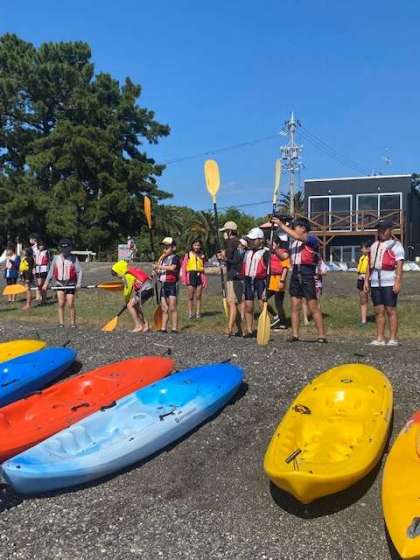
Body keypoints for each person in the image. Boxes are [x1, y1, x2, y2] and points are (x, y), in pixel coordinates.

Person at [272, 216, 327, 343]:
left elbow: (297, 236)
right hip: (296, 272)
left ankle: (322, 335)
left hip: (307, 273)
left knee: (312, 305)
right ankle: (295, 334)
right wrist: (275, 249)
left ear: (303, 228)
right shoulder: (294, 243)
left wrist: (280, 224)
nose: (293, 229)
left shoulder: (312, 239)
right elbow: (284, 256)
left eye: (295, 227)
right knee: (295, 305)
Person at [364, 220, 404, 346]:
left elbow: (399, 265)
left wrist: (397, 281)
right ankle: (380, 338)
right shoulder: (374, 245)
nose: (381, 231)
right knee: (378, 310)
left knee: (390, 309)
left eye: (384, 229)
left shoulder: (396, 246)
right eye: (379, 229)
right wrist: (366, 281)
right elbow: (369, 265)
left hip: (389, 280)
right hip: (375, 281)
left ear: (390, 230)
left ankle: (393, 338)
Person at [43, 239, 82, 328]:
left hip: (70, 284)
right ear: (60, 248)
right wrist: (46, 283)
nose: (65, 250)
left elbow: (79, 271)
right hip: (59, 284)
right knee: (61, 303)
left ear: (70, 248)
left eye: (67, 248)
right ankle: (61, 323)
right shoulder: (56, 258)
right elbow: (51, 272)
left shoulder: (74, 258)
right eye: (63, 248)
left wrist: (78, 283)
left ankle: (73, 323)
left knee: (70, 303)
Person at [217, 221, 245, 337]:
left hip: (234, 275)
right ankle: (240, 329)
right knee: (234, 303)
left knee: (231, 302)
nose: (224, 234)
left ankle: (229, 328)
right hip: (236, 275)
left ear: (229, 231)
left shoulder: (231, 242)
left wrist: (224, 258)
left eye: (225, 231)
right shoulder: (238, 242)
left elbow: (234, 260)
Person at [242, 227, 270, 338]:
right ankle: (249, 330)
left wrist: (267, 287)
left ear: (261, 240)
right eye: (250, 239)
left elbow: (270, 271)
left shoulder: (266, 253)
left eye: (253, 239)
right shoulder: (247, 251)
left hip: (261, 281)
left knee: (262, 305)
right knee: (248, 307)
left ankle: (263, 328)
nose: (251, 241)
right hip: (248, 280)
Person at [111, 260, 153, 332]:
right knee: (136, 306)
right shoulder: (130, 272)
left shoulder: (127, 275)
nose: (117, 276)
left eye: (116, 274)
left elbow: (128, 290)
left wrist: (126, 301)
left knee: (130, 305)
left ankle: (138, 326)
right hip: (149, 289)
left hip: (145, 289)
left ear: (120, 271)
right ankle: (146, 325)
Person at [154, 237, 180, 333]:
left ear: (173, 248)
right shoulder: (162, 259)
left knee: (172, 307)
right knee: (164, 308)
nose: (164, 249)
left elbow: (172, 268)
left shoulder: (175, 257)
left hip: (172, 284)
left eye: (167, 247)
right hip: (163, 285)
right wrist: (156, 270)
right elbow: (159, 271)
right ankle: (163, 328)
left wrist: (159, 266)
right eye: (164, 247)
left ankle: (174, 328)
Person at [267, 236, 290, 330]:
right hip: (271, 280)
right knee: (263, 298)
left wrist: (282, 281)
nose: (271, 246)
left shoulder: (283, 253)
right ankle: (275, 316)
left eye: (273, 244)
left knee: (278, 303)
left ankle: (283, 323)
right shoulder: (270, 253)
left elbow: (285, 268)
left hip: (279, 280)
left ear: (278, 244)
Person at [181, 239, 207, 320]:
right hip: (190, 275)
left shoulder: (202, 255)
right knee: (190, 296)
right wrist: (184, 279)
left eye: (198, 245)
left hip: (199, 275)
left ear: (200, 246)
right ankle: (190, 314)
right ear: (192, 246)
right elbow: (184, 267)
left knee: (198, 296)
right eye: (195, 245)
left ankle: (198, 314)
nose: (196, 247)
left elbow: (204, 267)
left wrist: (204, 279)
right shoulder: (188, 255)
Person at [302, 258, 328, 325]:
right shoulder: (305, 259)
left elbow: (325, 273)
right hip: (306, 283)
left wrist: (319, 273)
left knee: (317, 301)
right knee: (305, 301)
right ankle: (305, 319)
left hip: (317, 284)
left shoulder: (320, 261)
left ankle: (317, 318)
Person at [357, 243, 370, 325]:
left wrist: (366, 277)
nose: (361, 250)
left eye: (363, 248)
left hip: (369, 279)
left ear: (368, 248)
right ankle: (363, 320)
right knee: (362, 299)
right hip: (360, 279)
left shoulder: (371, 257)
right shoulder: (361, 257)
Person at [34, 240, 50, 305]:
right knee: (39, 284)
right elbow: (35, 260)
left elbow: (49, 261)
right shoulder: (37, 252)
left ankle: (44, 299)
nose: (41, 246)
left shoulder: (46, 252)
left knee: (43, 285)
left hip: (44, 269)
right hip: (38, 269)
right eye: (40, 245)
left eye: (42, 245)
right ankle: (39, 298)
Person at [29, 234, 41, 302]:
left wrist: (34, 266)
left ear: (34, 239)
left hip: (37, 265)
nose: (29, 240)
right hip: (34, 265)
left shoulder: (37, 247)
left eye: (30, 239)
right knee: (36, 281)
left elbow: (36, 257)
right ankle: (37, 296)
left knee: (38, 280)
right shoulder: (33, 247)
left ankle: (39, 296)